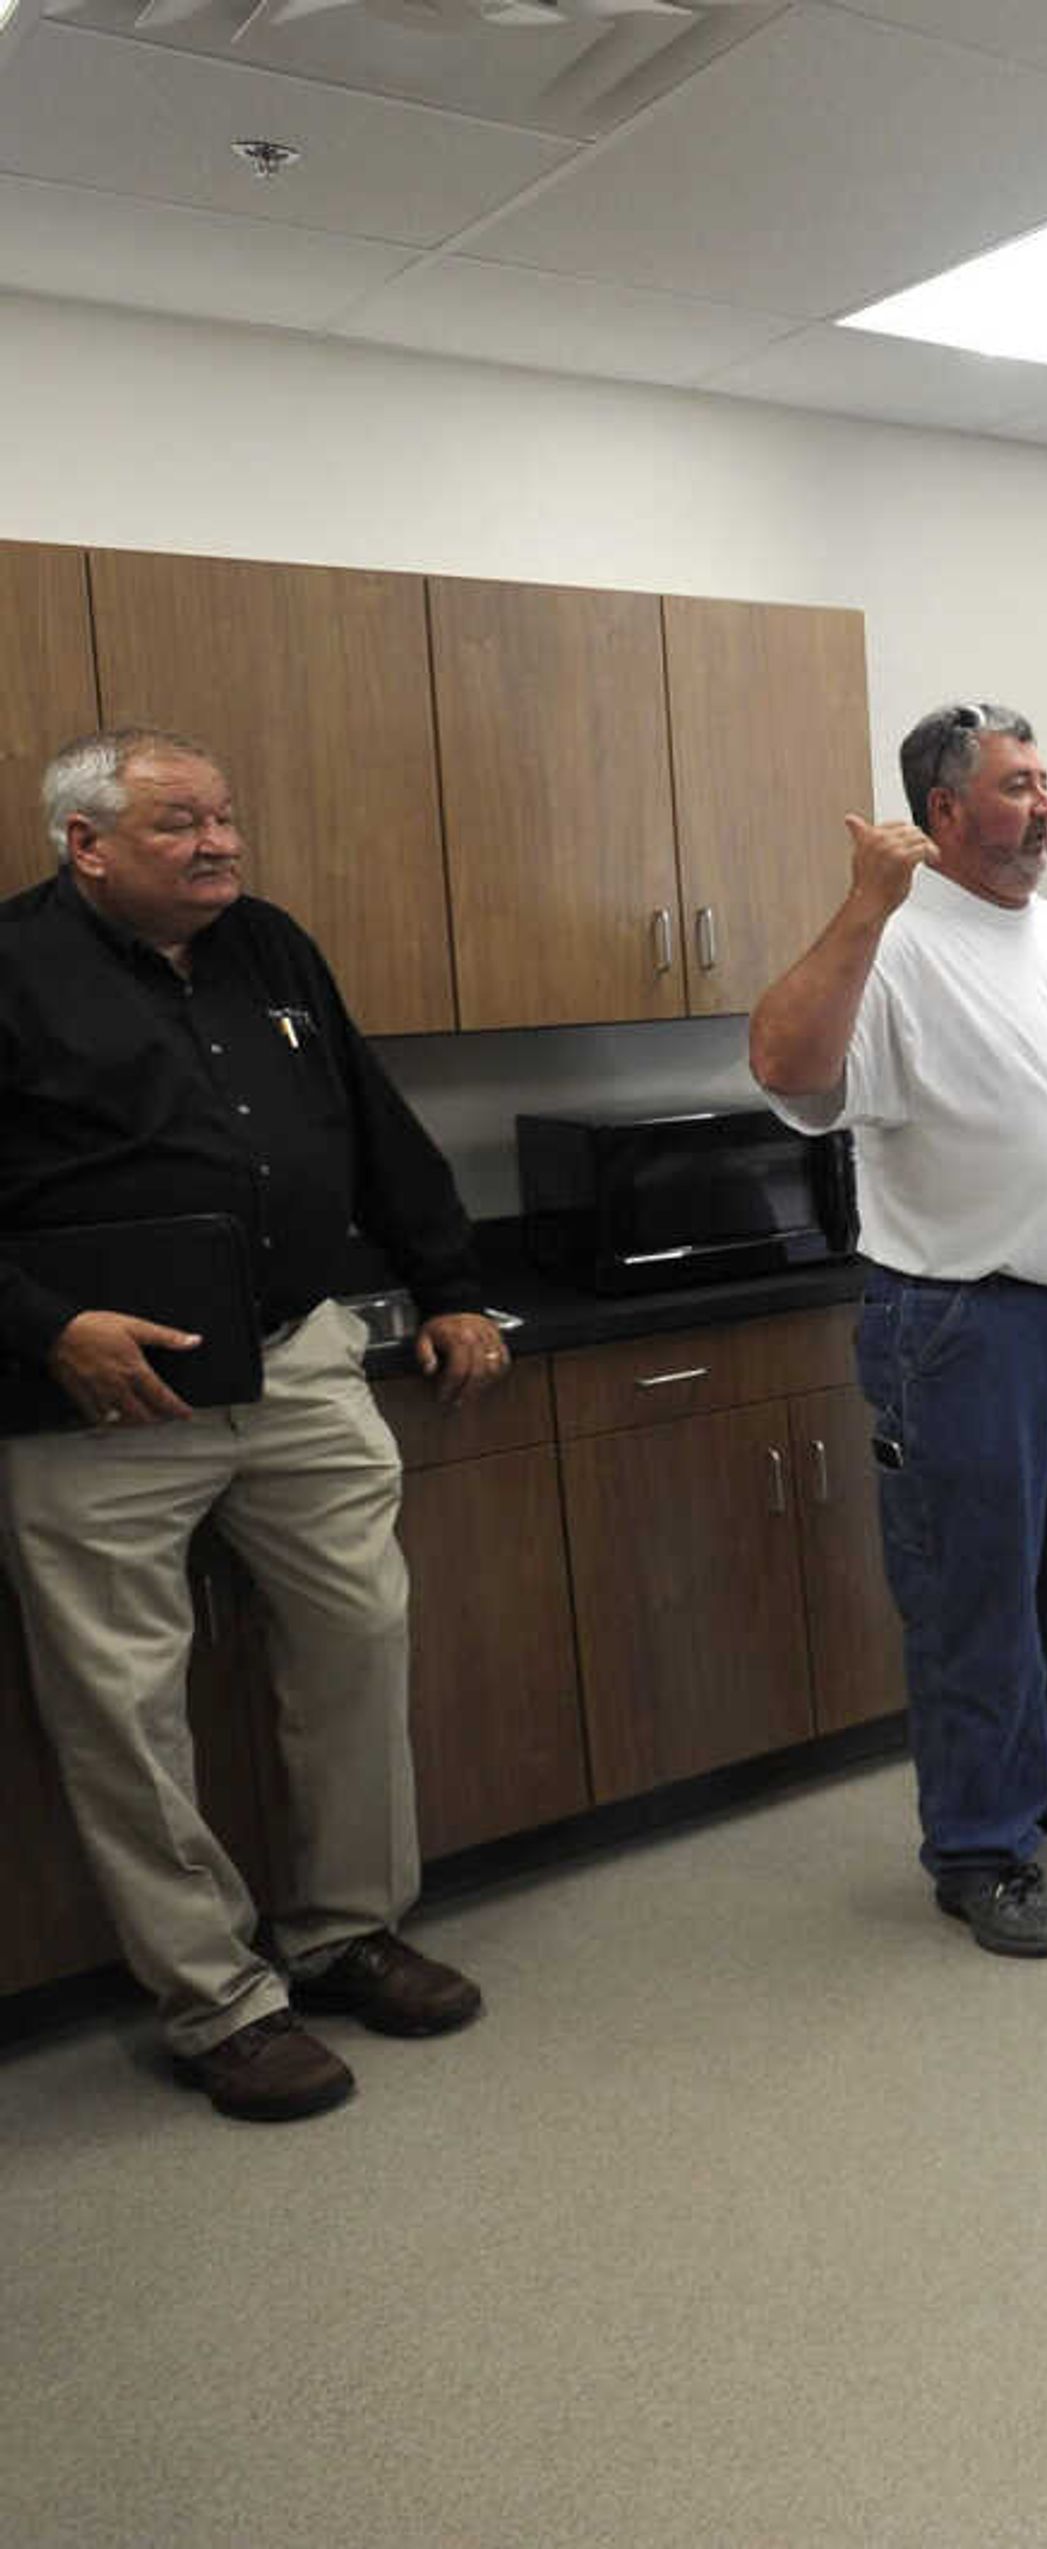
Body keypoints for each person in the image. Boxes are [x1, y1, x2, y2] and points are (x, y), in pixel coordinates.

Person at [0, 727, 501, 2120]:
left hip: (300, 1360)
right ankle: (217, 2001)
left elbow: (374, 1124)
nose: (220, 843)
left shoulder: (271, 946)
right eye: (179, 825)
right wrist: (47, 1325)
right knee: (124, 1710)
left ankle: (345, 1934)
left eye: (225, 816)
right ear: (84, 843)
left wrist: (452, 1288)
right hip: (98, 1404)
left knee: (358, 1641)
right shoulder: (13, 965)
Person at [751, 702, 1047, 1961]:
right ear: (944, 812)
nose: (1046, 805)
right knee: (976, 1598)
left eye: (1046, 780)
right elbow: (789, 1073)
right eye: (1017, 786)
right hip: (962, 1324)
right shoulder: (895, 943)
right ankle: (981, 1848)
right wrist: (862, 903)